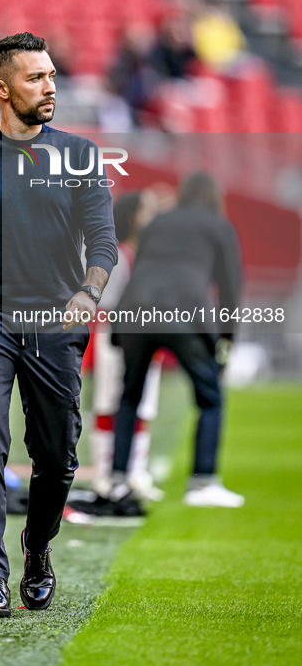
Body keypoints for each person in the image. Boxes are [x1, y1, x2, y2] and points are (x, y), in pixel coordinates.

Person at [0, 32, 117, 617]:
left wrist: (89, 294)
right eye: (37, 77)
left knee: (55, 453)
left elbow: (103, 243)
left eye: (53, 74)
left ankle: (36, 550)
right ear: (1, 88)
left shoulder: (80, 155)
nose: (51, 85)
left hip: (57, 320)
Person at [110, 171, 245, 509]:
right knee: (210, 398)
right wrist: (225, 343)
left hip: (133, 313)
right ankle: (202, 484)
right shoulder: (218, 225)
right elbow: (230, 289)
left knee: (129, 397)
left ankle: (117, 479)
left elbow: (138, 271)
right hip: (183, 313)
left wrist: (117, 332)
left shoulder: (158, 222)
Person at [92, 189, 164, 510]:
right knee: (110, 403)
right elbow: (105, 302)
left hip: (147, 333)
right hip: (118, 334)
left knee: (144, 405)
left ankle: (136, 471)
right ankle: (106, 473)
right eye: (145, 210)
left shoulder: (153, 251)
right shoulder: (117, 254)